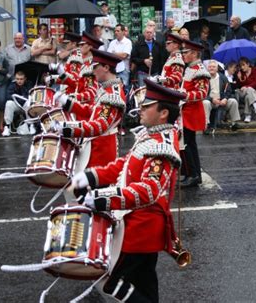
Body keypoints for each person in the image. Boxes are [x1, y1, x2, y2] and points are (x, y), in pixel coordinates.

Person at [70, 79, 186, 302]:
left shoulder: (161, 145)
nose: (140, 108)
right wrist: (90, 176)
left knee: (107, 279)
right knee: (143, 284)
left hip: (141, 227)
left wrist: (101, 198)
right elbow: (124, 164)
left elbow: (148, 190)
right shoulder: (151, 135)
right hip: (137, 223)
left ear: (163, 113)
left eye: (146, 106)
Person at [55, 49, 126, 169]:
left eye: (95, 67)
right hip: (95, 145)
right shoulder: (106, 88)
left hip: (101, 150)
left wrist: (67, 127)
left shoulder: (113, 94)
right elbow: (92, 110)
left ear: (106, 68)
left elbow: (100, 125)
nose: (92, 71)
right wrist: (67, 102)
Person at [179, 39, 210, 188]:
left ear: (194, 53)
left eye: (185, 52)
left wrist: (183, 96)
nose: (183, 55)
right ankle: (191, 173)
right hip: (186, 111)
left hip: (191, 112)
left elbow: (202, 93)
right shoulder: (191, 67)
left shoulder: (200, 70)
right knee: (188, 144)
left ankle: (194, 175)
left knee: (188, 144)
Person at [203, 59, 240, 132]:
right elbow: (202, 94)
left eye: (213, 67)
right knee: (205, 103)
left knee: (233, 101)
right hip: (211, 102)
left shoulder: (223, 78)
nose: (212, 68)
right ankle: (206, 125)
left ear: (217, 68)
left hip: (221, 101)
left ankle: (234, 123)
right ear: (207, 68)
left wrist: (225, 98)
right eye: (210, 67)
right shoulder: (204, 78)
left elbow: (228, 90)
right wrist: (211, 99)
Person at [2, 71, 34, 136]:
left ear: (25, 79)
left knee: (29, 103)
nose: (19, 81)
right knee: (9, 103)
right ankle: (7, 127)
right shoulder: (12, 84)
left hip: (26, 106)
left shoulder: (29, 84)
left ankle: (30, 125)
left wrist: (20, 98)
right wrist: (20, 99)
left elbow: (31, 96)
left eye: (21, 79)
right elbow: (8, 96)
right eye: (17, 79)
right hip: (17, 105)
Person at [108, 24, 132, 93]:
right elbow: (108, 55)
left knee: (124, 90)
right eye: (115, 31)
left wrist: (114, 53)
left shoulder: (128, 42)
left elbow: (124, 55)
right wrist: (119, 54)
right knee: (113, 90)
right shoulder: (112, 42)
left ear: (123, 32)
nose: (116, 32)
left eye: (118, 31)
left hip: (123, 70)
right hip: (113, 70)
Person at [236, 57, 256, 123]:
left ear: (248, 64)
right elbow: (238, 86)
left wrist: (247, 87)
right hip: (243, 92)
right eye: (241, 65)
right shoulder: (240, 73)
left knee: (248, 96)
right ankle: (255, 104)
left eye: (243, 65)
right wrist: (239, 79)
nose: (242, 67)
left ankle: (248, 116)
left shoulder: (255, 70)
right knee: (248, 90)